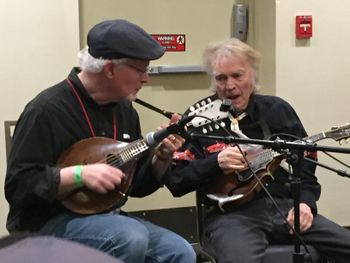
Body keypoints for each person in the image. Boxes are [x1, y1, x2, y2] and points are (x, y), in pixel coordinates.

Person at [5, 19, 196, 263]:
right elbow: (19, 185)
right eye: (141, 70)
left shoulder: (125, 112)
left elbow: (134, 187)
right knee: (130, 237)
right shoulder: (47, 110)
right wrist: (79, 175)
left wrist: (161, 157)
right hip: (44, 225)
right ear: (110, 69)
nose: (146, 79)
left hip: (106, 218)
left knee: (180, 252)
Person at [164, 38, 350, 263]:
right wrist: (215, 164)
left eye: (237, 75)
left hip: (285, 207)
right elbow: (176, 182)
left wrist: (305, 203)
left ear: (253, 75)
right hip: (230, 217)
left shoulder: (277, 110)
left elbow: (306, 159)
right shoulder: (197, 121)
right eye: (221, 78)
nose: (229, 85)